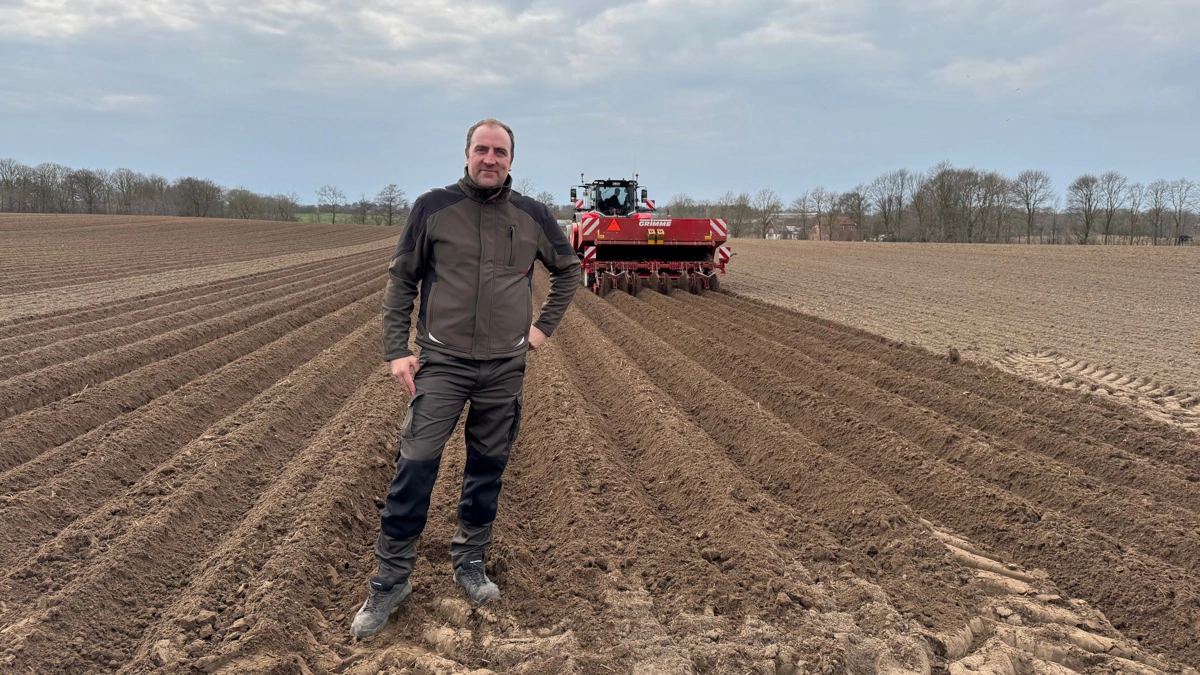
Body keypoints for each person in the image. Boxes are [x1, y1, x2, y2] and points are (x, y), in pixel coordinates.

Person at [350, 119, 581, 639]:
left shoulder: (533, 215)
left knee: (487, 468)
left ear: (511, 160)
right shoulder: (433, 208)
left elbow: (569, 271)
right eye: (482, 149)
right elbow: (402, 280)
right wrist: (396, 351)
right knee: (415, 466)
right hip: (444, 363)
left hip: (504, 367)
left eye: (500, 151)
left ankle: (470, 562)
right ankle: (390, 579)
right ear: (467, 153)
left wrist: (541, 330)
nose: (490, 159)